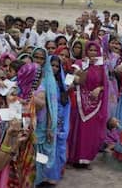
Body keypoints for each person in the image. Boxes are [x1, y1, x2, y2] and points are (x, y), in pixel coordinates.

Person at [68, 41, 108, 168]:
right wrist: (85, 67)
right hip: (79, 101)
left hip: (95, 103)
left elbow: (105, 84)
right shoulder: (79, 64)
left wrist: (99, 89)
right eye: (90, 50)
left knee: (91, 131)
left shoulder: (101, 67)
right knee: (77, 130)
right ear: (86, 51)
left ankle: (85, 159)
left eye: (95, 50)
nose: (92, 53)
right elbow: (75, 79)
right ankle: (74, 158)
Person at [31, 48, 58, 186]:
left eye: (42, 58)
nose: (38, 60)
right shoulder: (27, 74)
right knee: (29, 153)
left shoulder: (48, 80)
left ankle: (39, 179)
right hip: (28, 122)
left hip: (43, 123)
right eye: (36, 57)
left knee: (41, 153)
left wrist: (49, 128)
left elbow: (50, 106)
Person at [43, 55, 70, 185]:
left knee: (57, 148)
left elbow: (66, 105)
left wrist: (62, 122)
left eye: (56, 66)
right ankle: (42, 176)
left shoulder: (61, 84)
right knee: (44, 149)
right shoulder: (42, 82)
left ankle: (53, 176)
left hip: (58, 121)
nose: (53, 68)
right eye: (51, 65)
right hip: (44, 121)